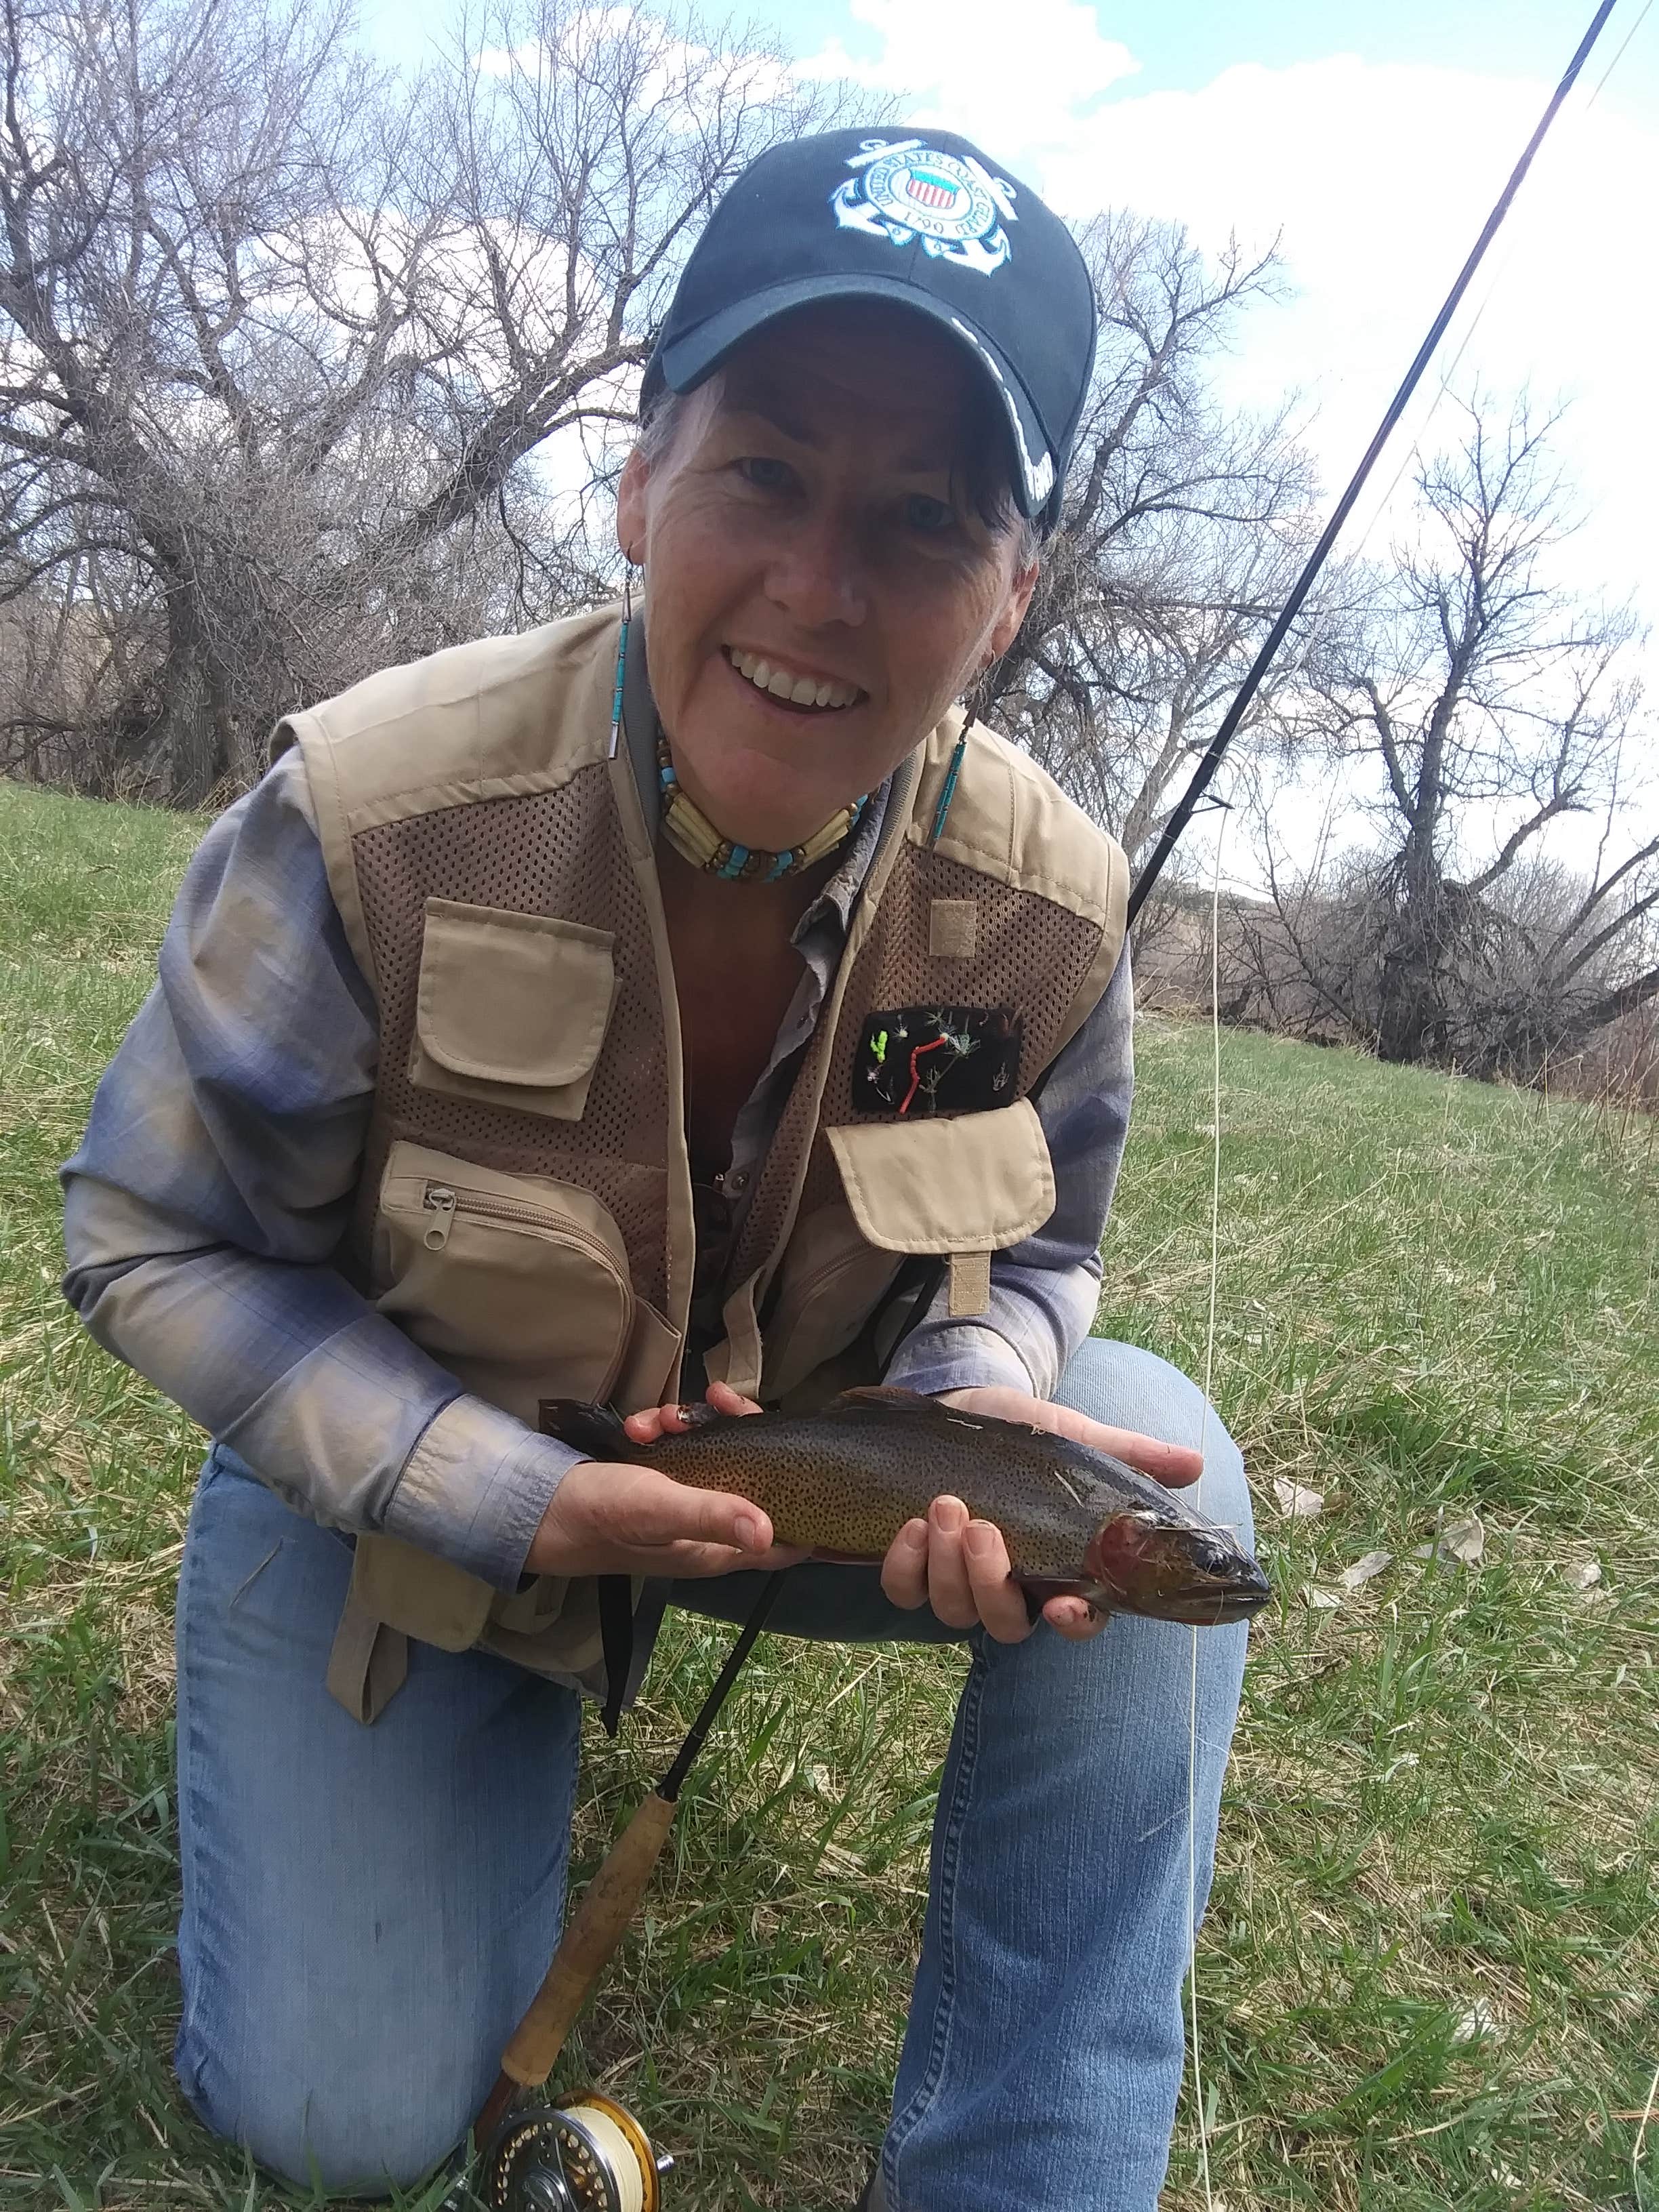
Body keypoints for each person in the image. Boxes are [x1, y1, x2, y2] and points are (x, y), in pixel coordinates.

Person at [61, 126, 1253, 2209]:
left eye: (923, 520)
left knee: (1165, 1470)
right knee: (334, 2124)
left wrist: (981, 1404)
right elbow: (150, 1234)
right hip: (409, 1508)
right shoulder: (378, 810)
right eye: (766, 478)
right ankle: (438, 1726)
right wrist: (505, 1500)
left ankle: (1028, 2173)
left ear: (1013, 592)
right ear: (638, 486)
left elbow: (1039, 1249)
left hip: (810, 1493)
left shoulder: (1051, 905)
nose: (822, 586)